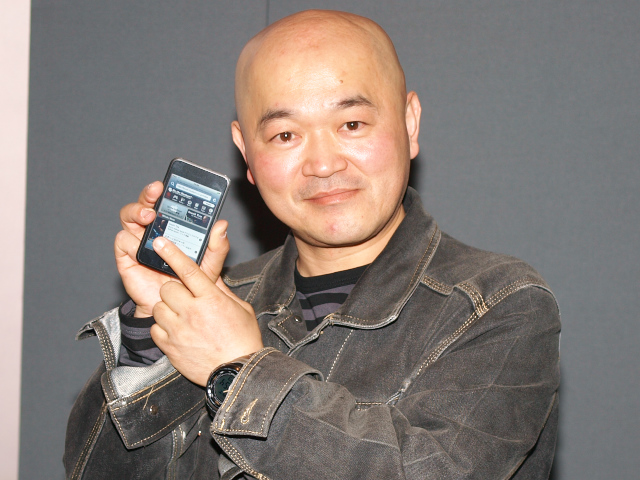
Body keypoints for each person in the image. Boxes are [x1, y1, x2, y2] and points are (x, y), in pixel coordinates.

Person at [64, 9, 560, 480]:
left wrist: (240, 370)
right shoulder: (216, 307)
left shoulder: (498, 305)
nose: (323, 164)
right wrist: (149, 332)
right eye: (285, 135)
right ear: (246, 153)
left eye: (352, 125)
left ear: (409, 124)